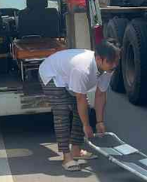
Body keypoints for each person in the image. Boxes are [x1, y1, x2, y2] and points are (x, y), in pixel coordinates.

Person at [39, 39, 121, 171]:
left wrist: (99, 121)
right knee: (62, 113)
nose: (114, 65)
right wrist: (86, 125)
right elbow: (80, 98)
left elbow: (100, 95)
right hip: (52, 74)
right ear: (99, 59)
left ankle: (76, 150)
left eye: (116, 61)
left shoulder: (107, 69)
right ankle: (66, 157)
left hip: (67, 74)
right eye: (111, 62)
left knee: (84, 111)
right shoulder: (83, 69)